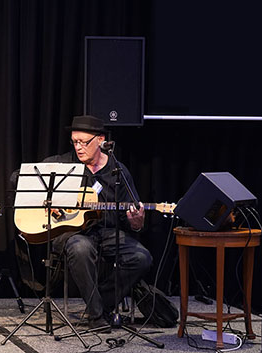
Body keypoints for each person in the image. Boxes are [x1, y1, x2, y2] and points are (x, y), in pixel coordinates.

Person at [45, 115, 153, 329]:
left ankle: (99, 304)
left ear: (101, 141)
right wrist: (49, 201)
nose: (78, 147)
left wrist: (136, 222)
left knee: (142, 257)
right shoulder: (65, 164)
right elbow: (18, 178)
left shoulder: (118, 170)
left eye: (83, 142)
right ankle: (96, 317)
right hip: (72, 233)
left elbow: (129, 214)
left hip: (108, 233)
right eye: (75, 142)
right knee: (80, 249)